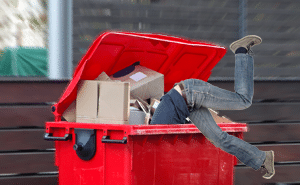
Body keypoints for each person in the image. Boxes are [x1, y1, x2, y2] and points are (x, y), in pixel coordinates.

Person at [150, 35, 275, 179]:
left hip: (191, 93)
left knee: (243, 100)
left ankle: (241, 51)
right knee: (219, 139)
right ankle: (263, 158)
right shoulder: (157, 142)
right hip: (189, 105)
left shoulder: (157, 142)